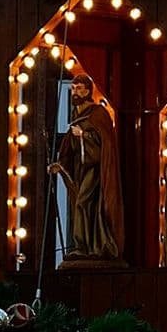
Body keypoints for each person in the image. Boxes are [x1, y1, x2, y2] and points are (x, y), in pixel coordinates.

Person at [51, 73, 125, 266]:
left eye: (79, 88)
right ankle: (83, 247)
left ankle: (92, 246)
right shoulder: (77, 113)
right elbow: (70, 146)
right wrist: (61, 163)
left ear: (87, 91)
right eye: (73, 88)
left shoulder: (98, 113)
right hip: (81, 168)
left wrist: (83, 135)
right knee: (81, 203)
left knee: (83, 203)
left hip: (96, 169)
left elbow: (104, 142)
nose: (74, 92)